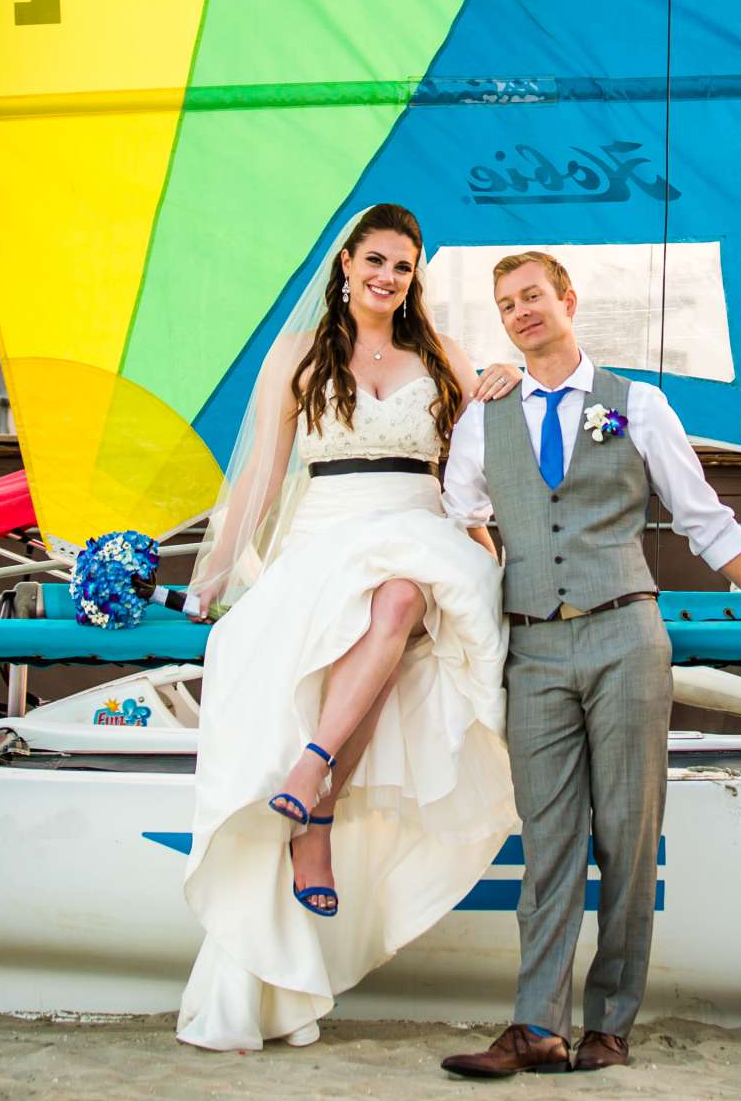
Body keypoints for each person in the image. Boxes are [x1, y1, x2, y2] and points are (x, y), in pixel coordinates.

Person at [439, 248, 741, 1077]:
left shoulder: (639, 406)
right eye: (506, 304)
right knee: (549, 838)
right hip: (534, 649)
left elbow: (705, 520)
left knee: (628, 835)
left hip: (627, 635)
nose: (521, 312)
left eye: (533, 296)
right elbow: (460, 516)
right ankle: (535, 1027)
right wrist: (507, 577)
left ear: (568, 299)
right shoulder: (482, 414)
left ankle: (609, 1024)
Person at [175, 203, 520, 1052]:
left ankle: (310, 782)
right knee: (375, 605)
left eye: (403, 266)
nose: (387, 277)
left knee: (403, 597)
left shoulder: (440, 354)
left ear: (415, 277)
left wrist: (507, 379)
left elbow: (472, 468)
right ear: (346, 264)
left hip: (418, 527)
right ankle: (314, 815)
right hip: (324, 539)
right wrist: (210, 581)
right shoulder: (300, 356)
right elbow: (260, 474)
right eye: (375, 260)